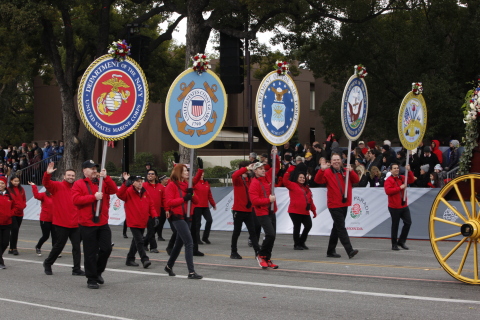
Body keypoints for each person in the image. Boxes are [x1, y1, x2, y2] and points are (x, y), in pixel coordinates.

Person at [72, 160, 117, 289]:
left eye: (95, 168)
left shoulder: (102, 182)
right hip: (87, 223)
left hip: (102, 221)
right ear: (84, 171)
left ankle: (98, 271)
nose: (94, 171)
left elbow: (114, 190)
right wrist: (93, 197)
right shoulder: (79, 184)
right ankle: (91, 278)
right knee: (90, 252)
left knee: (106, 248)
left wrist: (106, 178)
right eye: (91, 168)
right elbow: (76, 200)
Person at [314, 153, 359, 259]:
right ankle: (349, 250)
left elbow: (356, 180)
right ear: (331, 161)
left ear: (341, 160)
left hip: (344, 203)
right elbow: (317, 180)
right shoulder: (328, 172)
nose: (336, 161)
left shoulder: (345, 171)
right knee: (341, 227)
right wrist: (322, 170)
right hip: (334, 204)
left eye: (338, 159)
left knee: (337, 227)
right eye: (334, 160)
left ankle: (330, 250)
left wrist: (351, 172)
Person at [42, 162, 84, 276]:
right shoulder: (57, 186)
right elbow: (46, 183)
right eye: (69, 175)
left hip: (75, 224)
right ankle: (48, 263)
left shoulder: (77, 188)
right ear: (64, 176)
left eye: (73, 176)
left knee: (76, 247)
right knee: (59, 246)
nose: (71, 177)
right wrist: (47, 174)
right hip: (61, 223)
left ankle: (76, 269)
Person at [164, 164, 202, 279]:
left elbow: (196, 201)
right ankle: (191, 272)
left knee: (179, 244)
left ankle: (169, 266)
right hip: (177, 216)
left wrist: (192, 193)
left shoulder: (186, 185)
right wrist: (184, 199)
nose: (187, 172)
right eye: (185, 170)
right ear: (179, 172)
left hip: (187, 217)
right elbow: (169, 202)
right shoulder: (171, 185)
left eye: (187, 170)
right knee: (189, 243)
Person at [117, 173, 158, 268]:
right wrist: (125, 184)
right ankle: (144, 259)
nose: (140, 183)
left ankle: (130, 259)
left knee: (135, 241)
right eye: (138, 181)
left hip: (143, 221)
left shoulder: (145, 192)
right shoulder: (128, 191)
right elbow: (119, 194)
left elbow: (151, 205)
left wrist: (155, 216)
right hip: (133, 221)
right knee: (139, 241)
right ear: (133, 183)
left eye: (141, 181)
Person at [249, 148, 280, 269]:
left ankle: (267, 257)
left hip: (271, 210)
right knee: (270, 234)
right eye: (260, 169)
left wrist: (275, 156)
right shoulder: (254, 183)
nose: (263, 170)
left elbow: (276, 168)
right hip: (262, 212)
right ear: (255, 171)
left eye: (263, 168)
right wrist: (269, 200)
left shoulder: (268, 177)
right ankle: (261, 255)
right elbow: (255, 201)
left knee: (272, 236)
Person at [230, 161, 261, 259]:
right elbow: (235, 174)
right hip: (238, 210)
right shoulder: (238, 179)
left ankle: (257, 252)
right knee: (237, 231)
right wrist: (247, 168)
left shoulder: (249, 179)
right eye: (247, 167)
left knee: (253, 231)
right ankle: (233, 251)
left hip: (248, 210)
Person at [283, 163, 317, 250]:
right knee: (297, 227)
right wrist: (289, 170)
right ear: (297, 178)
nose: (302, 179)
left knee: (308, 225)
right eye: (300, 177)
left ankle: (301, 242)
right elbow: (285, 180)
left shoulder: (307, 188)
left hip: (305, 211)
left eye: (303, 177)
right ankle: (297, 244)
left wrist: (314, 210)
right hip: (295, 211)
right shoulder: (292, 185)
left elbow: (310, 200)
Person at [384, 164, 415, 250]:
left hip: (403, 205)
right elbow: (388, 191)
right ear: (390, 170)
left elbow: (411, 180)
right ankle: (394, 244)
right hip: (394, 206)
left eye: (397, 168)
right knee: (395, 225)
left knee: (408, 222)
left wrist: (409, 171)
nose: (396, 169)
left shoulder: (402, 178)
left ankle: (401, 241)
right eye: (394, 168)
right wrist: (399, 188)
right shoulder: (389, 180)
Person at [193, 158, 216, 245]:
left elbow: (209, 195)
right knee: (197, 223)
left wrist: (213, 204)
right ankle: (197, 238)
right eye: (200, 173)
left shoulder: (206, 183)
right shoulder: (195, 183)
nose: (202, 175)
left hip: (205, 206)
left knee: (209, 220)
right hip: (197, 206)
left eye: (203, 173)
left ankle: (205, 237)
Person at [29, 182, 56, 257]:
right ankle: (38, 246)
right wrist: (34, 186)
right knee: (46, 236)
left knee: (55, 236)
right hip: (45, 219)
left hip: (55, 219)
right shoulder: (43, 195)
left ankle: (55, 251)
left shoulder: (56, 195)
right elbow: (36, 195)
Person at [142, 169, 164, 253]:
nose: (150, 175)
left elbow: (164, 199)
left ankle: (144, 244)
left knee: (154, 230)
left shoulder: (161, 187)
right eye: (148, 174)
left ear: (155, 176)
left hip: (157, 212)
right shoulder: (143, 185)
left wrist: (166, 209)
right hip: (147, 213)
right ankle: (153, 247)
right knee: (151, 230)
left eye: (152, 174)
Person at [7, 176, 26, 255]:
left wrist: (23, 205)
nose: (16, 182)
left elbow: (24, 199)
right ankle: (14, 248)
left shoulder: (21, 189)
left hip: (20, 212)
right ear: (11, 181)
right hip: (12, 213)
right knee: (14, 229)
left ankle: (11, 248)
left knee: (16, 231)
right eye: (15, 181)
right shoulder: (8, 190)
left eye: (17, 181)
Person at [0, 176, 15, 269]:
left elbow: (15, 206)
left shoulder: (9, 195)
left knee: (5, 243)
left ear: (5, 185)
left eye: (2, 183)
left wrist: (10, 213)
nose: (0, 185)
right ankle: (1, 262)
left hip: (7, 222)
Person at [156, 175, 170, 241]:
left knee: (163, 222)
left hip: (167, 206)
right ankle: (159, 235)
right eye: (165, 179)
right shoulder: (159, 187)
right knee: (160, 222)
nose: (167, 180)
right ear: (162, 180)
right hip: (161, 207)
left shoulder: (167, 187)